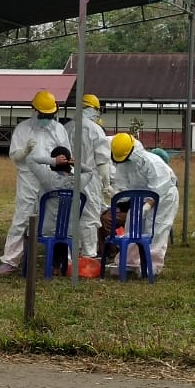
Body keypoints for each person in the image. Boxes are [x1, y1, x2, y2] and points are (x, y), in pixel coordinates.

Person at [0, 90, 70, 275]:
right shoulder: (23, 129)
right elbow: (15, 157)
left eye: (49, 114)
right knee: (23, 218)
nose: (46, 117)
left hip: (51, 179)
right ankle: (11, 260)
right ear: (34, 110)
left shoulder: (58, 129)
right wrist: (25, 151)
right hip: (29, 179)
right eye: (43, 114)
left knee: (55, 220)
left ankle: (59, 262)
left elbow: (66, 156)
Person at [107, 133, 179, 276]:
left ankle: (151, 266)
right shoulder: (124, 161)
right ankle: (128, 263)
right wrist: (118, 201)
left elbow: (159, 190)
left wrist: (147, 207)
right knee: (132, 227)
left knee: (156, 229)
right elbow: (122, 186)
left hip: (164, 197)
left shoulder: (152, 163)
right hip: (140, 198)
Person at [67, 94, 111, 258]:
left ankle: (72, 253)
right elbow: (102, 161)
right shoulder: (95, 129)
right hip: (90, 180)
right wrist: (107, 185)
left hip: (67, 179)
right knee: (90, 217)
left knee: (71, 216)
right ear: (93, 109)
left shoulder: (67, 128)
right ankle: (89, 255)